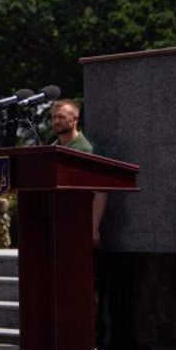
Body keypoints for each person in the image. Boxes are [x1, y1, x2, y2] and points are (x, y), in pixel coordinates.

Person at [49, 98, 108, 246]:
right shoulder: (51, 149)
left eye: (61, 117)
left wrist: (93, 229)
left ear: (75, 118)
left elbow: (100, 192)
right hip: (56, 224)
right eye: (54, 117)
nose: (56, 121)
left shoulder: (86, 150)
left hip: (79, 226)